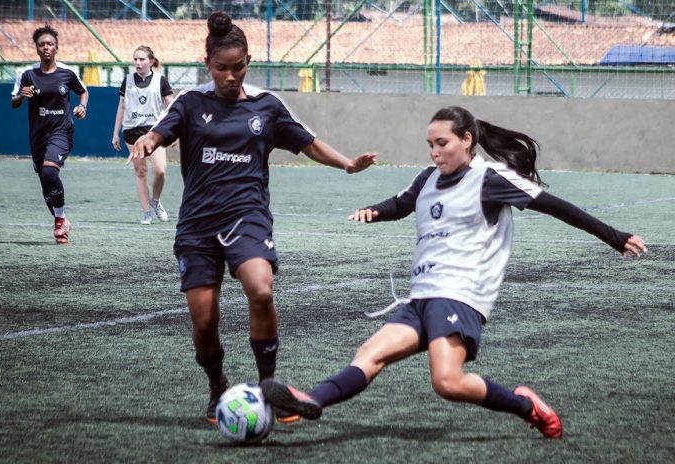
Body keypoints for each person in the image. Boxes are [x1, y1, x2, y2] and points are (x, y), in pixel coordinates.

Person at [260, 106, 648, 439]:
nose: (434, 152)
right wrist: (374, 211)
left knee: (447, 382)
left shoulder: (490, 179)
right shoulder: (427, 178)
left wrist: (615, 237)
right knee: (370, 355)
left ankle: (524, 405)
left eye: (441, 143)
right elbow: (402, 203)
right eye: (429, 145)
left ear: (466, 140)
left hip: (461, 294)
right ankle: (309, 400)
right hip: (421, 295)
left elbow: (559, 207)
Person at [128, 11, 377, 425]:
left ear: (249, 61)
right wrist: (147, 141)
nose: (230, 76)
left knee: (261, 290)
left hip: (248, 215)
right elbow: (160, 132)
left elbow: (307, 143)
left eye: (238, 67)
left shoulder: (267, 105)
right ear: (207, 64)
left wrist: (348, 165)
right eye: (221, 68)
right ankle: (216, 385)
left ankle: (270, 389)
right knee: (204, 321)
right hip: (198, 224)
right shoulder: (191, 102)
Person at [11, 24, 88, 244]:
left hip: (62, 131)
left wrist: (82, 108)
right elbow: (13, 101)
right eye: (42, 44)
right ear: (36, 48)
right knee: (46, 188)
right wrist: (21, 97)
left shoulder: (67, 72)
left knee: (49, 173)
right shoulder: (26, 74)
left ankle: (59, 222)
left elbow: (83, 92)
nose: (46, 47)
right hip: (37, 134)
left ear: (56, 48)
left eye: (50, 44)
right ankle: (61, 220)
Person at [112, 46, 174, 225]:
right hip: (132, 131)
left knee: (160, 171)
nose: (138, 63)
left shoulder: (160, 81)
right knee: (141, 172)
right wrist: (115, 133)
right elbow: (121, 107)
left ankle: (155, 200)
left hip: (154, 132)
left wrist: (174, 132)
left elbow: (171, 108)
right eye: (135, 59)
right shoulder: (128, 80)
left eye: (142, 59)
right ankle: (147, 212)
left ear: (151, 61)